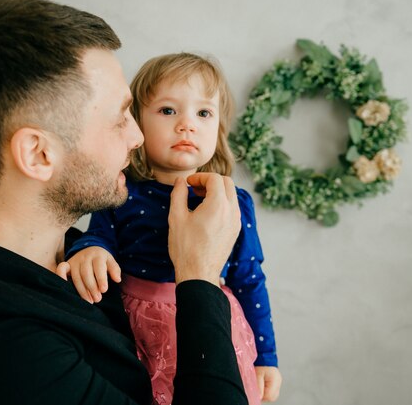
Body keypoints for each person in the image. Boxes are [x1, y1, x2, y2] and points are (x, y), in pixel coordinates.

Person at [0, 0, 251, 405]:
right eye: (120, 117)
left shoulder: (90, 262)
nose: (137, 137)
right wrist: (199, 275)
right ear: (38, 154)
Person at [64, 53, 282, 404]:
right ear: (137, 124)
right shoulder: (121, 190)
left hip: (214, 322)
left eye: (203, 113)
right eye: (168, 111)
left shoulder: (230, 200)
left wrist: (267, 357)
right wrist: (90, 249)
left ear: (218, 128)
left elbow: (249, 279)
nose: (187, 125)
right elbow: (98, 235)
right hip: (136, 328)